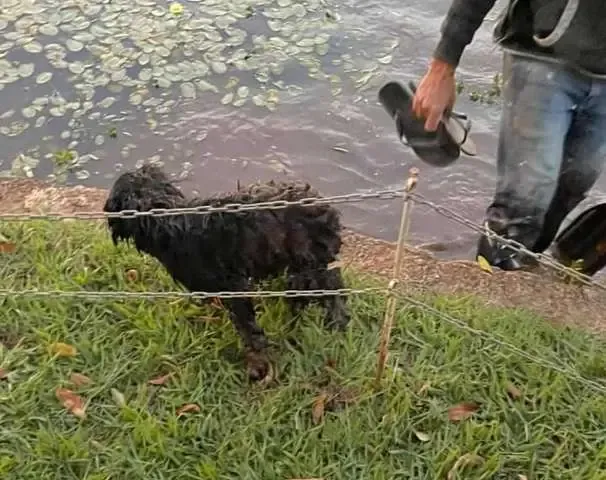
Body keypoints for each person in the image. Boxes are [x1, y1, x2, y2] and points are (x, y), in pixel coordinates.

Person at [412, 0, 606, 270]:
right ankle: (490, 287)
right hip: (542, 54)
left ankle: (522, 268)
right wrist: (442, 66)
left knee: (572, 186)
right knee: (525, 199)